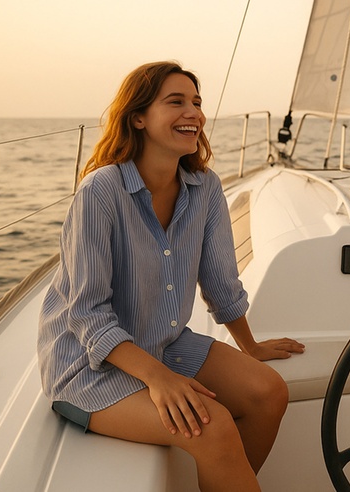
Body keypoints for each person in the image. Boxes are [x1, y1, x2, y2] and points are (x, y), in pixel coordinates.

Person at [38, 61, 305, 492]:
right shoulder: (100, 192)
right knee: (211, 426)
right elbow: (87, 314)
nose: (194, 113)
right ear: (139, 117)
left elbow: (219, 281)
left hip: (164, 342)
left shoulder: (205, 187)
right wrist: (159, 379)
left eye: (197, 103)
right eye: (176, 102)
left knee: (269, 393)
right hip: (89, 366)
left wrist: (250, 346)